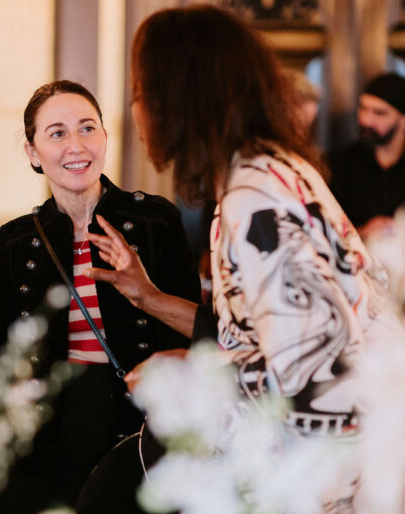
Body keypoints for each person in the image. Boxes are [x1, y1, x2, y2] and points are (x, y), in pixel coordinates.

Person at [85, 5, 405, 509]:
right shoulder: (265, 171)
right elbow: (265, 334)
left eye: (141, 93)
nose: (135, 110)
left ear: (181, 99)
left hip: (321, 480)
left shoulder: (254, 196)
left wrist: (196, 372)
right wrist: (149, 298)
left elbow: (322, 372)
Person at [0, 80, 200, 513]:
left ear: (105, 137)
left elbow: (191, 336)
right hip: (41, 444)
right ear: (32, 152)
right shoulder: (16, 240)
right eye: (57, 133)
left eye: (87, 128)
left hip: (137, 432)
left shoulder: (155, 221)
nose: (76, 145)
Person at [329, 73, 405, 240]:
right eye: (363, 108)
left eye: (379, 113)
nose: (366, 120)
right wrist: (361, 232)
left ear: (402, 120)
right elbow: (322, 231)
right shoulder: (338, 164)